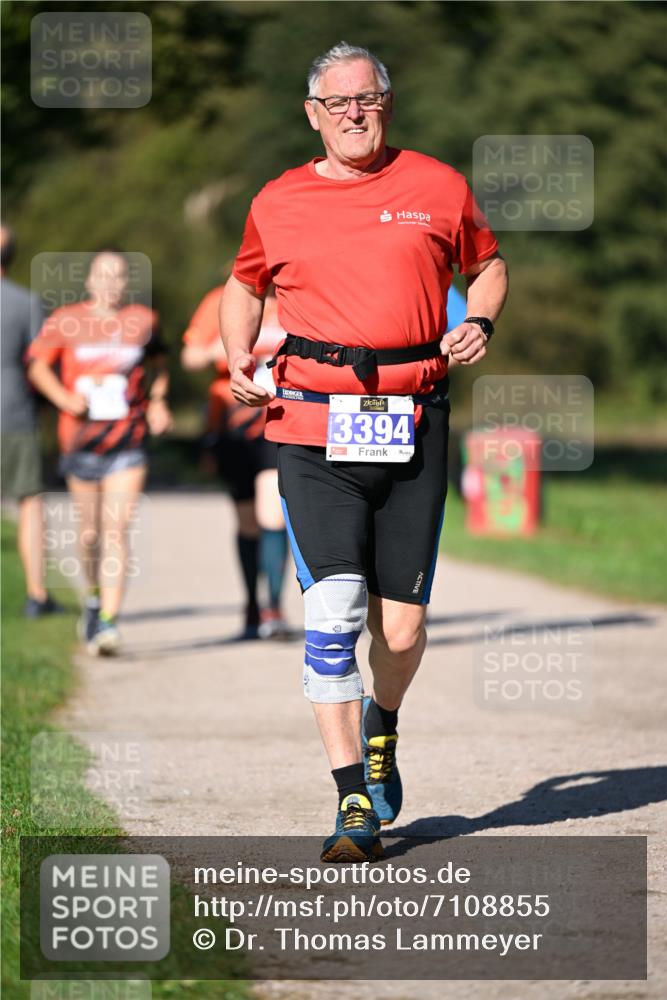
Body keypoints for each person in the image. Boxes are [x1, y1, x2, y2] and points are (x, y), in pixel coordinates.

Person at [220, 42, 508, 862]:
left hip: (412, 420)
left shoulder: (437, 186)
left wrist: (479, 320)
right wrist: (236, 357)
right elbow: (244, 285)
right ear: (312, 114)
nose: (354, 112)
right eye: (337, 101)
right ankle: (353, 799)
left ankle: (382, 723)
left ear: (387, 103)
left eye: (368, 97)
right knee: (335, 611)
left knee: (404, 630)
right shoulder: (277, 200)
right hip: (310, 425)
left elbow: (487, 266)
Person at [26, 250, 172, 655]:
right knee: (89, 534)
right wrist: (63, 398)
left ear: (127, 282)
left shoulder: (143, 320)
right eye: (102, 275)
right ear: (89, 281)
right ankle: (92, 598)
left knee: (116, 530)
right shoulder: (66, 321)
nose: (110, 282)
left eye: (118, 275)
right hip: (80, 440)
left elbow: (159, 366)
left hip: (128, 440)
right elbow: (37, 366)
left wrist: (158, 402)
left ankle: (108, 621)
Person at [181, 284, 290, 639]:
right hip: (231, 424)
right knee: (247, 522)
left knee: (272, 512)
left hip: (281, 421)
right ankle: (252, 606)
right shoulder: (221, 300)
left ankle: (273, 606)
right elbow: (190, 357)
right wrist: (224, 347)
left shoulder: (297, 297)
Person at [0, 225, 63, 617]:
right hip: (14, 414)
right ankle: (36, 595)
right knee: (29, 505)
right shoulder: (26, 303)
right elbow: (41, 364)